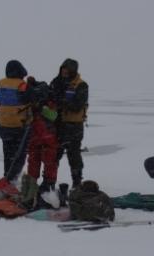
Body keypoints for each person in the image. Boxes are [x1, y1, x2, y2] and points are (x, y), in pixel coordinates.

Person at [0, 60, 32, 194]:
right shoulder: (22, 85)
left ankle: (7, 178)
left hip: (3, 126)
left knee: (8, 154)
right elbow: (31, 100)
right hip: (19, 126)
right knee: (19, 155)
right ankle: (12, 181)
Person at [50, 58, 89, 188]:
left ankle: (77, 183)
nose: (64, 72)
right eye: (63, 69)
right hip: (58, 124)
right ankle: (50, 182)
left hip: (74, 126)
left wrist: (61, 101)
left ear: (73, 71)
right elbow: (48, 97)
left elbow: (78, 105)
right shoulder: (56, 82)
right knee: (54, 155)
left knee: (74, 156)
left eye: (67, 70)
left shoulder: (81, 85)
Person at [24, 77, 59, 193]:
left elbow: (53, 115)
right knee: (42, 160)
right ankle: (42, 184)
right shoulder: (42, 100)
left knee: (42, 160)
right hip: (43, 135)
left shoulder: (43, 102)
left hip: (41, 135)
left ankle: (45, 184)